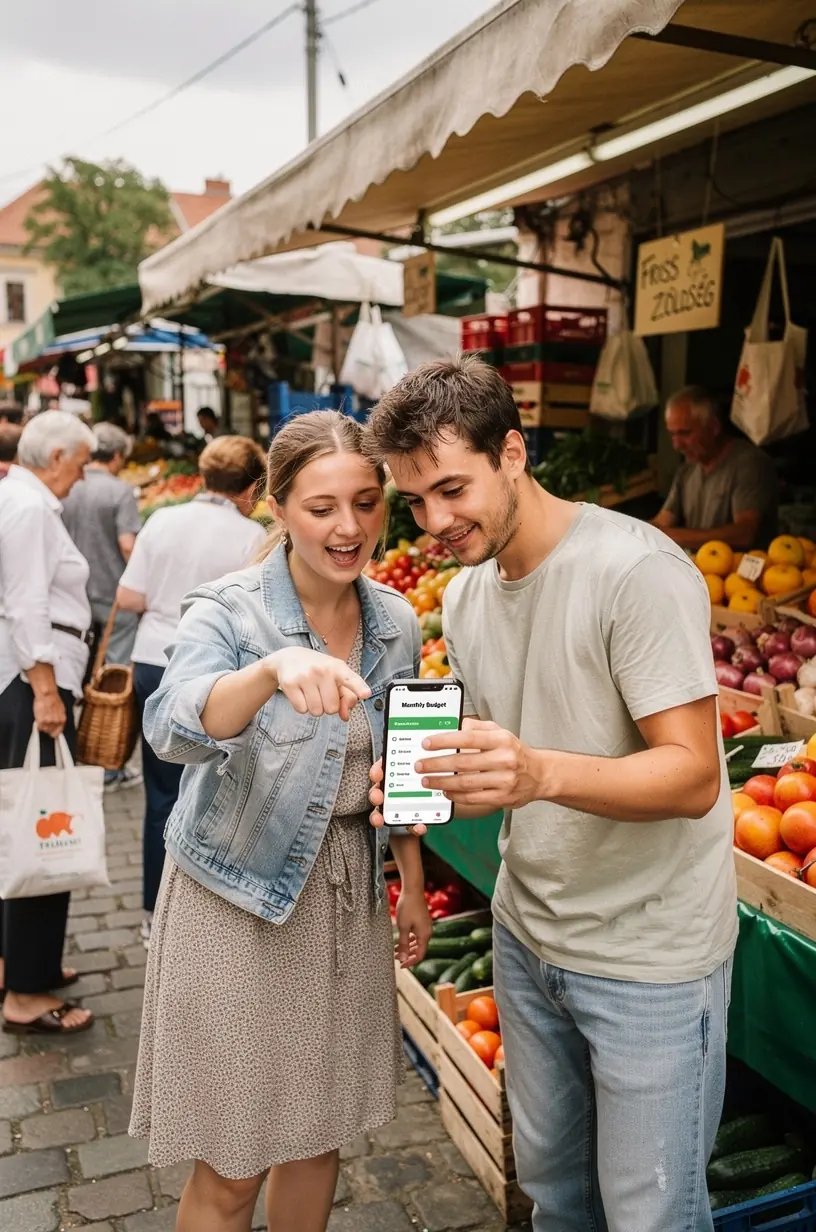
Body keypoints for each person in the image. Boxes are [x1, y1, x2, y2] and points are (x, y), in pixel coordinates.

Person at [366, 356, 737, 1232]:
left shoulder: (635, 570)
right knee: (556, 1200)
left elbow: (693, 775)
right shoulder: (466, 597)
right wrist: (422, 790)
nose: (436, 522)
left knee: (652, 1216)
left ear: (512, 453)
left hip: (647, 955)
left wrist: (539, 773)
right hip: (528, 937)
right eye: (414, 502)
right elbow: (499, 774)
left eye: (452, 489)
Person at [129, 410, 430, 1232]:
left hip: (347, 899)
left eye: (365, 504)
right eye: (322, 507)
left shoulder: (395, 622)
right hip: (238, 899)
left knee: (317, 1138)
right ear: (277, 506)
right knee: (233, 1165)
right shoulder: (228, 611)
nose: (348, 528)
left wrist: (409, 882)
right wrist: (269, 670)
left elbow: (400, 768)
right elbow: (171, 725)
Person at [117, 436, 268, 947]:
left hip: (153, 661)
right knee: (215, 791)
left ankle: (153, 912)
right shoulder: (252, 535)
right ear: (252, 487)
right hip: (221, 679)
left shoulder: (162, 521)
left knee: (160, 794)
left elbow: (129, 596)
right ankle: (203, 911)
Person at [0, 411, 97, 1036]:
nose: (82, 476)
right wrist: (45, 690)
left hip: (22, 678)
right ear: (57, 456)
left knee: (18, 821)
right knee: (43, 825)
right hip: (32, 679)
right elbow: (26, 602)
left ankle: (16, 963)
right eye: (81, 464)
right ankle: (27, 993)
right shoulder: (29, 507)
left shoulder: (17, 499)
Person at [653, 385, 779, 550]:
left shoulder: (750, 464)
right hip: (699, 565)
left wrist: (670, 536)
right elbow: (662, 522)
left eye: (685, 433)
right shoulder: (687, 470)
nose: (677, 445)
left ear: (713, 427)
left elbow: (745, 533)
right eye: (672, 434)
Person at [61, 422, 142, 670]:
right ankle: (112, 694)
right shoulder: (121, 491)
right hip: (110, 589)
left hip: (72, 589)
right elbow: (127, 545)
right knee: (118, 660)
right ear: (116, 456)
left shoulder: (69, 484)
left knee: (77, 656)